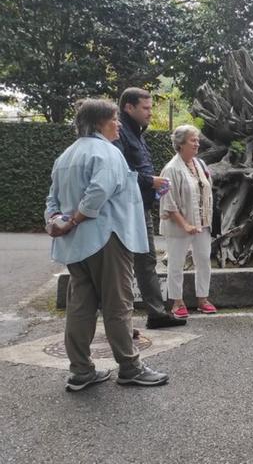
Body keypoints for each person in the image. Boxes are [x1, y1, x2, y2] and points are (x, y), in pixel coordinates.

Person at [45, 99, 169, 391]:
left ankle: (80, 370)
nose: (118, 125)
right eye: (114, 119)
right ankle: (130, 367)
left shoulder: (66, 155)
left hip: (76, 245)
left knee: (81, 305)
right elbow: (99, 191)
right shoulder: (108, 153)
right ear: (100, 122)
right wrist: (77, 218)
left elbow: (52, 198)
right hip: (107, 238)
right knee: (118, 304)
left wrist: (56, 220)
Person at [113, 87, 186, 329]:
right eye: (145, 108)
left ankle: (155, 314)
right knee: (128, 263)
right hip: (127, 209)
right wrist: (149, 181)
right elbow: (118, 171)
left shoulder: (137, 132)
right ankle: (130, 320)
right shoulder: (120, 131)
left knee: (145, 262)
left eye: (150, 107)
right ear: (128, 107)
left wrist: (152, 186)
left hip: (139, 205)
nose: (150, 113)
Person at [158, 125, 216, 318]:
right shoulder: (171, 169)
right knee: (176, 263)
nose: (197, 143)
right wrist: (185, 225)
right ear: (180, 144)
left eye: (197, 140)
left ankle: (203, 299)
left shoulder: (199, 164)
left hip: (202, 223)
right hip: (179, 225)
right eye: (193, 140)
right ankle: (177, 302)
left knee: (204, 261)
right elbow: (168, 202)